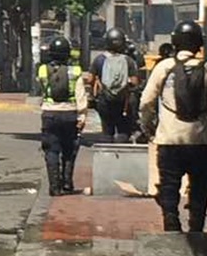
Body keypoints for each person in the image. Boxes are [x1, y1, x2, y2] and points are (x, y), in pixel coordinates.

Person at [139, 20, 207, 232]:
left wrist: (149, 126)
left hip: (169, 139)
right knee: (200, 186)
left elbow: (146, 101)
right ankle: (196, 225)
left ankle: (171, 221)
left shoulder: (164, 68)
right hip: (201, 141)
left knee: (169, 184)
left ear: (175, 42)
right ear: (199, 43)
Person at [37, 36, 88, 196]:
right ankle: (67, 183)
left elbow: (43, 89)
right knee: (69, 149)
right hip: (70, 114)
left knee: (51, 150)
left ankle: (54, 187)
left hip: (49, 114)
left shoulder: (43, 70)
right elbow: (80, 96)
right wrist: (82, 117)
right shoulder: (75, 71)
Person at [90, 28, 140, 143]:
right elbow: (135, 82)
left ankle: (107, 157)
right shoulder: (128, 60)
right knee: (123, 130)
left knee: (107, 130)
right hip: (124, 102)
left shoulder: (100, 59)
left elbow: (90, 79)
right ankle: (121, 156)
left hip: (104, 101)